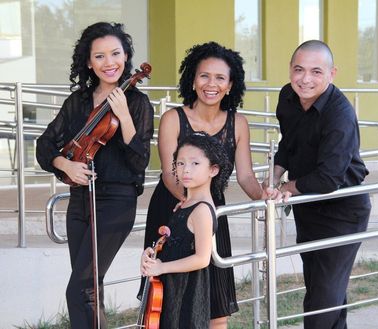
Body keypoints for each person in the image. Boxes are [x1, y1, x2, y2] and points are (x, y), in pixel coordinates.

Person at [141, 41, 268, 328]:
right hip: (173, 208)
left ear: (230, 84)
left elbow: (246, 175)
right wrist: (192, 203)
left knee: (216, 307)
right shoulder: (174, 118)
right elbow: (170, 173)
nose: (211, 84)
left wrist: (264, 195)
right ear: (192, 79)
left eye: (220, 77)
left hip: (211, 213)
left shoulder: (238, 123)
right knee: (167, 304)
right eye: (204, 76)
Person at [36, 22, 154, 328]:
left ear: (126, 56)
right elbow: (45, 144)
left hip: (116, 204)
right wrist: (65, 165)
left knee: (79, 289)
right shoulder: (78, 102)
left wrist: (124, 115)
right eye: (99, 56)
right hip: (79, 202)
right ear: (89, 62)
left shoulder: (138, 103)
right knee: (90, 289)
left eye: (115, 53)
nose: (109, 62)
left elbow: (140, 160)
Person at [265, 40, 371, 329]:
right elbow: (289, 144)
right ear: (290, 70)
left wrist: (287, 188)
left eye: (316, 71)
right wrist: (274, 177)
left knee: (322, 302)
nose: (305, 79)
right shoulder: (288, 96)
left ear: (332, 73)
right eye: (299, 70)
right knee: (323, 291)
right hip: (309, 205)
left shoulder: (340, 115)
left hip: (342, 212)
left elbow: (329, 177)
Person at [141, 132, 232, 328]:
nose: (186, 170)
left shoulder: (202, 210)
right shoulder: (184, 205)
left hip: (186, 294)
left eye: (195, 164)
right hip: (173, 288)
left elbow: (202, 258)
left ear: (213, 170)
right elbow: (175, 244)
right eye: (180, 163)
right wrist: (152, 253)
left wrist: (162, 267)